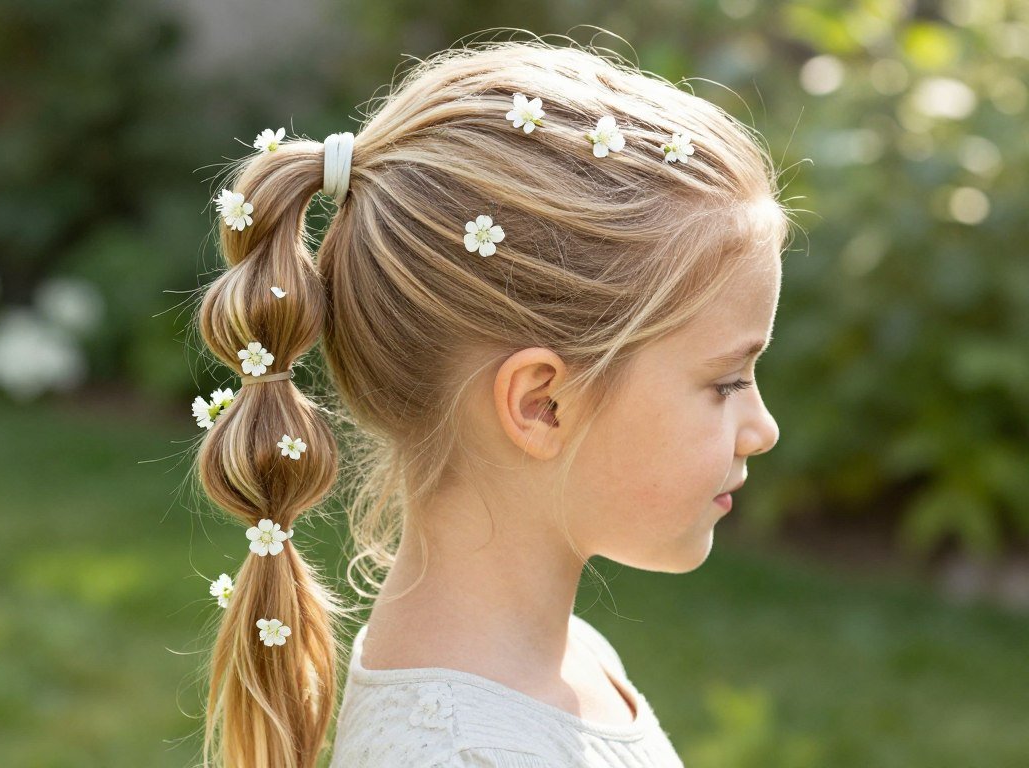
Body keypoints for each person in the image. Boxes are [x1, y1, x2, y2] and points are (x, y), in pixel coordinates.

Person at [190, 35, 790, 768]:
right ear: (542, 405)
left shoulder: (566, 663)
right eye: (727, 382)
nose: (762, 429)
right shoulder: (464, 754)